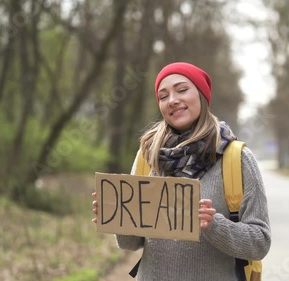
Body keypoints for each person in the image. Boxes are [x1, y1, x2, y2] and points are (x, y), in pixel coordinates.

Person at [92, 62, 271, 281]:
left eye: (182, 89)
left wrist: (214, 225)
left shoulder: (237, 158)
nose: (173, 100)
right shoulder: (148, 155)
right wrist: (117, 215)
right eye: (163, 96)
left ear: (202, 95)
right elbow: (130, 243)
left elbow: (260, 242)